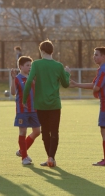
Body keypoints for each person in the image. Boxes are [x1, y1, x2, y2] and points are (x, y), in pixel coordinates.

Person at [23, 39, 70, 167]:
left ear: (41, 51)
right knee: (54, 131)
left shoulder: (37, 64)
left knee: (45, 131)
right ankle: (51, 157)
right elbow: (65, 84)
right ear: (52, 51)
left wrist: (24, 99)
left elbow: (28, 82)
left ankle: (49, 157)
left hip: (41, 104)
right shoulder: (59, 66)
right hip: (54, 104)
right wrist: (67, 73)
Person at [70, 47, 105, 166]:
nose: (94, 57)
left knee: (104, 130)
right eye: (94, 54)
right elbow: (94, 85)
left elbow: (96, 87)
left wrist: (94, 91)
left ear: (103, 57)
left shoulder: (103, 70)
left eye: (97, 55)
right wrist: (77, 84)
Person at [11, 56, 41, 165]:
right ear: (21, 66)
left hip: (34, 109)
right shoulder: (18, 78)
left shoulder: (32, 77)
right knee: (23, 132)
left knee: (37, 131)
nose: (29, 67)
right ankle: (24, 158)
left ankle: (21, 151)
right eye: (27, 65)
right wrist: (12, 79)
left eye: (30, 65)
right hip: (22, 110)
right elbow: (13, 92)